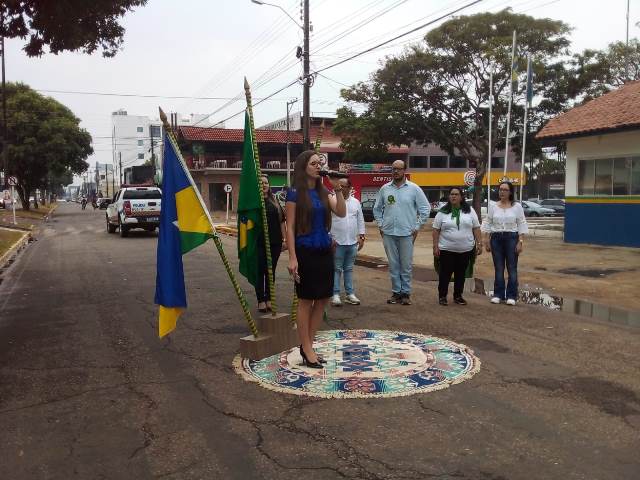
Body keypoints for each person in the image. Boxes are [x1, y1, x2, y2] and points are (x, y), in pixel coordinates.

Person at [286, 150, 346, 368]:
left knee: (322, 299)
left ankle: (308, 346)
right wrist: (292, 258)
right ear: (303, 167)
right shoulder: (294, 193)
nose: (318, 166)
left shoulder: (324, 191)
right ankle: (306, 347)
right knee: (306, 300)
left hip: (324, 250)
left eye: (319, 163)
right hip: (305, 251)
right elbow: (290, 227)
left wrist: (337, 187)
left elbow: (341, 212)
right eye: (313, 163)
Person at [373, 159, 430, 305]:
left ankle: (405, 293)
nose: (396, 171)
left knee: (406, 265)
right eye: (393, 169)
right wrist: (380, 224)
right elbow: (377, 209)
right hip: (388, 233)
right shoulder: (385, 189)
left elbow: (425, 209)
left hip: (406, 233)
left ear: (405, 170)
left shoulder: (414, 189)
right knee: (393, 265)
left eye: (399, 169)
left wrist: (417, 226)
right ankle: (396, 293)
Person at [432, 187, 482, 306]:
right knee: (445, 274)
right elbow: (436, 230)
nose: (453, 196)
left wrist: (479, 243)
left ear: (461, 197)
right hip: (446, 249)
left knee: (461, 274)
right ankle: (442, 296)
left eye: (456, 194)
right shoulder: (442, 212)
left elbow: (476, 228)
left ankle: (458, 296)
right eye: (451, 194)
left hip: (465, 249)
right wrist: (435, 246)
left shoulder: (469, 210)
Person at [481, 181, 528, 305]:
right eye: (500, 189)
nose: (502, 192)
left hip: (512, 238)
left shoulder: (517, 207)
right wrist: (486, 240)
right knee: (499, 267)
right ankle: (498, 294)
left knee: (512, 268)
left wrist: (520, 242)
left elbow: (521, 223)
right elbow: (488, 222)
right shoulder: (493, 206)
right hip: (496, 239)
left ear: (510, 192)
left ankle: (511, 295)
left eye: (505, 190)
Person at [330, 178, 365, 307]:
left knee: (349, 269)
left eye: (343, 186)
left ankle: (350, 294)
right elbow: (327, 220)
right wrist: (329, 237)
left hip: (352, 242)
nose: (340, 188)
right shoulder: (332, 200)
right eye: (339, 186)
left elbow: (360, 219)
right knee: (336, 269)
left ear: (350, 188)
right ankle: (335, 294)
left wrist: (362, 236)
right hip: (337, 241)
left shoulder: (356, 202)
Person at [255, 175, 287, 313]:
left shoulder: (275, 201)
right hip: (258, 242)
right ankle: (261, 300)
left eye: (266, 183)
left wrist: (285, 240)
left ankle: (269, 298)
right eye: (261, 183)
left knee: (270, 271)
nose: (264, 185)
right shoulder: (254, 202)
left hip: (275, 242)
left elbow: (282, 222)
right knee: (260, 271)